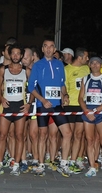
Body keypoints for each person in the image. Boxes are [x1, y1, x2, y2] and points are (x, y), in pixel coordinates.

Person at [28, 39, 72, 177]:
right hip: (43, 105)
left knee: (67, 133)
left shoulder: (59, 64)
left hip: (57, 105)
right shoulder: (37, 65)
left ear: (54, 50)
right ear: (42, 49)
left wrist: (65, 96)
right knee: (43, 135)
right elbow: (31, 87)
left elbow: (62, 84)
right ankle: (41, 164)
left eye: (51, 46)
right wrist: (43, 100)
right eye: (46, 46)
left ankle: (64, 163)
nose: (48, 49)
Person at [0, 44, 29, 176]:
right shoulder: (3, 69)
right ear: (10, 55)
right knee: (2, 135)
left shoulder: (26, 70)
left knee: (19, 136)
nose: (15, 56)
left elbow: (32, 89)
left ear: (21, 56)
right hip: (7, 106)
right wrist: (2, 100)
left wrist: (29, 104)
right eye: (13, 53)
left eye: (18, 53)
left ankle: (16, 163)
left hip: (20, 106)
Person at [78, 56, 102, 178]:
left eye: (98, 63)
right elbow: (80, 98)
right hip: (88, 114)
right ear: (89, 65)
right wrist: (87, 110)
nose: (95, 65)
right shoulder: (85, 79)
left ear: (101, 65)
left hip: (100, 114)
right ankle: (92, 167)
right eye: (93, 63)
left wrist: (95, 111)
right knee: (90, 140)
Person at [64, 47, 90, 172]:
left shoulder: (86, 69)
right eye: (86, 57)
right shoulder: (66, 69)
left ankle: (74, 160)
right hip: (70, 106)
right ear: (80, 58)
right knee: (69, 134)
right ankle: (66, 158)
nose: (88, 59)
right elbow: (62, 85)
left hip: (82, 105)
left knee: (78, 135)